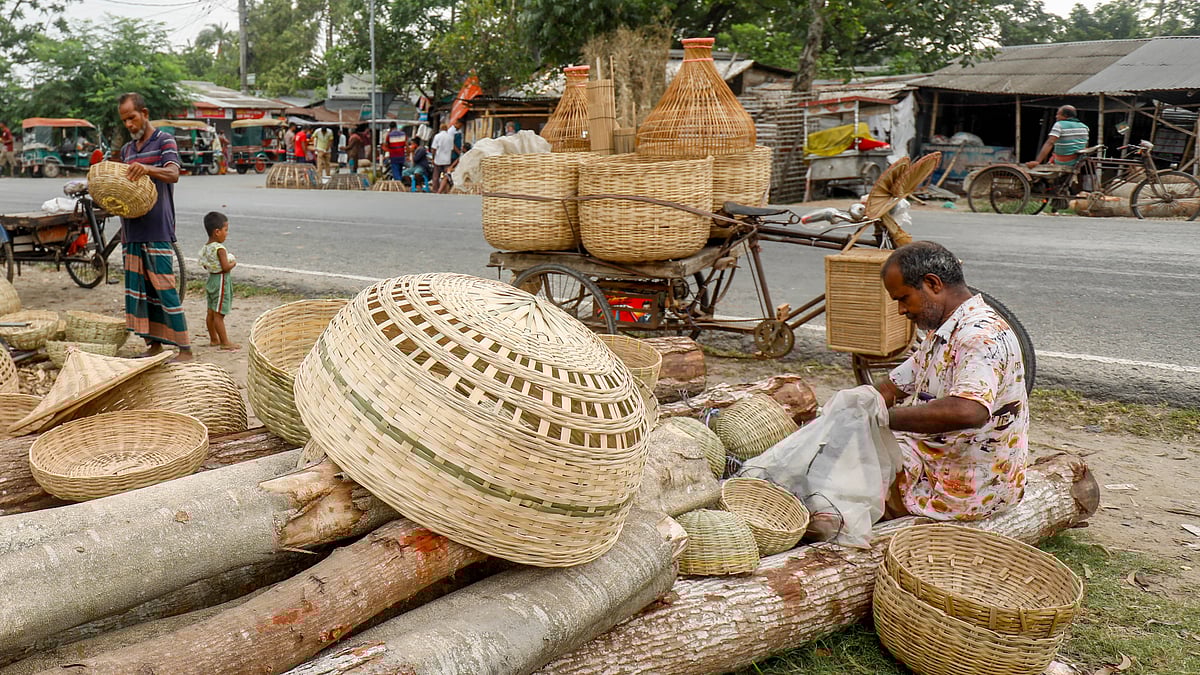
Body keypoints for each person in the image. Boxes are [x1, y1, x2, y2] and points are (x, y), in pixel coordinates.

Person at [875, 241, 1028, 521]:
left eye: (903, 298)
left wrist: (881, 418)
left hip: (967, 489)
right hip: (943, 460)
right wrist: (852, 407)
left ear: (933, 284)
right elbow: (891, 386)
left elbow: (968, 410)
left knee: (852, 469)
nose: (901, 310)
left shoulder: (978, 336)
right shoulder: (946, 330)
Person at [117, 92, 192, 362]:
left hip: (157, 226)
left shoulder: (164, 140)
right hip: (132, 229)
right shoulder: (127, 150)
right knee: (141, 292)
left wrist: (148, 169)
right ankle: (154, 345)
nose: (129, 125)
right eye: (125, 121)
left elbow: (173, 174)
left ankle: (185, 349)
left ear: (145, 114)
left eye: (132, 118)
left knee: (165, 289)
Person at [198, 211, 239, 351]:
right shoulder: (220, 249)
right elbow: (225, 267)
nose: (226, 233)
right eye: (225, 230)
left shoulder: (206, 247)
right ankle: (224, 342)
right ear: (217, 232)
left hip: (211, 280)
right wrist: (233, 263)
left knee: (210, 312)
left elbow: (205, 265)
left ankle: (213, 339)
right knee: (219, 314)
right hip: (221, 281)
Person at [1026, 105, 1089, 169]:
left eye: (1058, 114)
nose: (1056, 116)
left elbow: (1050, 142)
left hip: (1064, 160)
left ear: (1065, 115)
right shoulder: (1084, 127)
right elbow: (1085, 145)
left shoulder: (1059, 124)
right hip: (1079, 161)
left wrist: (1037, 161)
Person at [431, 123, 455, 193]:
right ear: (446, 129)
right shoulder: (450, 137)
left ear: (440, 129)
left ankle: (435, 190)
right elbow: (451, 148)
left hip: (438, 159)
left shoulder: (437, 136)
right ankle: (445, 189)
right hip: (447, 160)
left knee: (436, 176)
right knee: (446, 175)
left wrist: (433, 158)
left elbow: (434, 148)